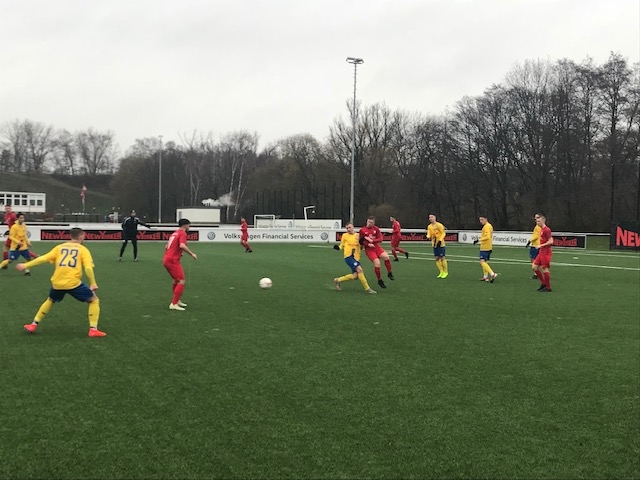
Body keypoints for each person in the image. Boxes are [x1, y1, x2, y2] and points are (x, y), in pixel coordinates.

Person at [19, 227, 106, 337]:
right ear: (81, 236)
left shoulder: (59, 247)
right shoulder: (83, 249)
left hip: (57, 283)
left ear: (70, 236)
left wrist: (25, 265)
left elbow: (43, 258)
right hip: (73, 283)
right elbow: (88, 268)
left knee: (50, 300)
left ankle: (33, 324)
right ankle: (93, 329)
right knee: (94, 300)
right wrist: (93, 283)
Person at [163, 218, 198, 311]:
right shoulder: (182, 233)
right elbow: (182, 245)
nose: (189, 227)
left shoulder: (175, 233)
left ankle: (177, 300)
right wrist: (192, 254)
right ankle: (174, 303)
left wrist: (177, 252)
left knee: (176, 280)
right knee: (181, 281)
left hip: (167, 258)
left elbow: (167, 246)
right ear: (185, 225)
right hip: (172, 260)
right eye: (189, 225)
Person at [332, 223, 377, 294]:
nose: (348, 229)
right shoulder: (345, 235)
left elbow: (361, 246)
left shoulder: (358, 235)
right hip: (348, 257)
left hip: (356, 258)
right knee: (360, 270)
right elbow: (341, 246)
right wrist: (337, 248)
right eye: (347, 228)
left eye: (349, 227)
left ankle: (338, 280)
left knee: (355, 276)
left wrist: (363, 244)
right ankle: (367, 289)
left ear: (353, 227)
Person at [359, 216, 394, 289]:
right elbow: (361, 241)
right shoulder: (362, 230)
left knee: (386, 257)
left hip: (376, 247)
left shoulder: (376, 229)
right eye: (368, 222)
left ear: (374, 223)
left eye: (371, 222)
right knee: (377, 263)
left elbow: (380, 238)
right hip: (369, 250)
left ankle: (389, 273)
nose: (369, 223)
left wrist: (372, 241)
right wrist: (368, 244)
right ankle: (379, 280)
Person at [473, 215, 498, 283]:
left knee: (482, 262)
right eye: (480, 220)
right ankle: (485, 277)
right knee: (485, 262)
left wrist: (479, 240)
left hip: (485, 247)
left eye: (482, 219)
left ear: (486, 219)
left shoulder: (487, 226)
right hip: (487, 246)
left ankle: (492, 274)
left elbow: (487, 237)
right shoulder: (488, 226)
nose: (480, 221)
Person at [532, 215, 553, 292]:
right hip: (541, 251)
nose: (537, 222)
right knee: (534, 267)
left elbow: (551, 241)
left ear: (543, 221)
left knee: (544, 268)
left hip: (546, 252)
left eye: (539, 221)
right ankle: (544, 283)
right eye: (537, 221)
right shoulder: (541, 229)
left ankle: (548, 287)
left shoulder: (547, 230)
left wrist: (541, 245)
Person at [426, 214, 448, 278]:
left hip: (440, 244)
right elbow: (429, 234)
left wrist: (440, 240)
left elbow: (443, 233)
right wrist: (427, 237)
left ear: (435, 218)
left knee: (442, 257)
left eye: (432, 217)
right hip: (434, 244)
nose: (430, 218)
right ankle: (441, 271)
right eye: (429, 217)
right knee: (437, 258)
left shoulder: (439, 225)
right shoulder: (429, 226)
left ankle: (445, 272)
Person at [526, 213, 542, 279]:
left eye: (537, 218)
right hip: (539, 245)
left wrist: (529, 241)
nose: (535, 219)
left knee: (533, 259)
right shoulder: (542, 226)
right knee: (538, 260)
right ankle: (539, 273)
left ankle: (536, 274)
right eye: (535, 218)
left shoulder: (537, 227)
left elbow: (536, 236)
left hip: (535, 245)